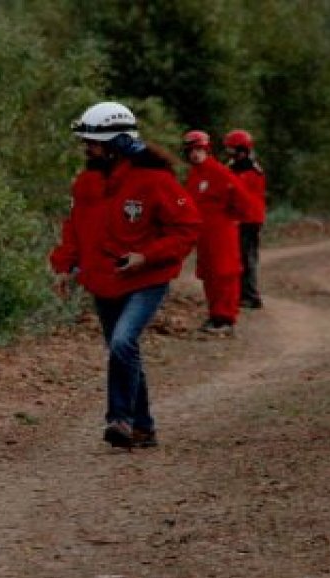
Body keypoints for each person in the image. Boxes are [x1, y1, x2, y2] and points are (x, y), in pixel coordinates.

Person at [50, 102, 201, 449]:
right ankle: (143, 427)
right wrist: (66, 266)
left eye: (93, 141)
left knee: (122, 343)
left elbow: (186, 228)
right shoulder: (86, 183)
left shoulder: (155, 180)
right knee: (123, 350)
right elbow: (74, 229)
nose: (87, 147)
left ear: (117, 143)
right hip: (104, 281)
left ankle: (119, 419)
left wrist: (145, 256)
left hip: (146, 279)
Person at [182, 130, 255, 336]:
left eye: (199, 150)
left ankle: (225, 318)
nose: (195, 154)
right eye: (191, 151)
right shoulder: (195, 175)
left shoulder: (220, 172)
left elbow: (243, 202)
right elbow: (187, 201)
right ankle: (215, 315)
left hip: (221, 232)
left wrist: (227, 218)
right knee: (209, 275)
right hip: (203, 234)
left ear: (207, 150)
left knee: (224, 273)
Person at [224, 129, 267, 308]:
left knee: (246, 256)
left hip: (248, 219)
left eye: (233, 150)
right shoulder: (238, 167)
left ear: (242, 150)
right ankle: (243, 293)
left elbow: (239, 194)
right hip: (243, 218)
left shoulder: (250, 171)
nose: (230, 153)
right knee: (240, 256)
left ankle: (250, 295)